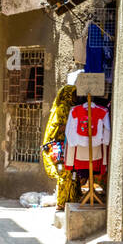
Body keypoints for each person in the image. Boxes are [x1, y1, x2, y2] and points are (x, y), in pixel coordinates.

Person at [41, 73, 81, 210]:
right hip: (61, 146)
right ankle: (63, 202)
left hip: (62, 145)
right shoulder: (64, 108)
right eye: (74, 94)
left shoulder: (61, 107)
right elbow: (61, 127)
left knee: (70, 174)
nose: (76, 97)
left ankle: (67, 201)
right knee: (65, 174)